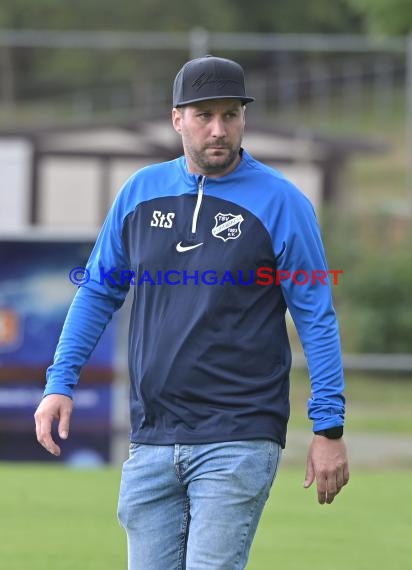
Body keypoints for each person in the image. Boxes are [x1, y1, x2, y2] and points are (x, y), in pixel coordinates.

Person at [34, 55, 349, 569]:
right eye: (204, 115)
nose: (218, 130)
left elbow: (316, 315)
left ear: (246, 118)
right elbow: (96, 293)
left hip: (239, 437)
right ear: (177, 118)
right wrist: (59, 382)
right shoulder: (139, 192)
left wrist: (329, 427)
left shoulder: (283, 203)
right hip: (152, 439)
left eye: (231, 114)